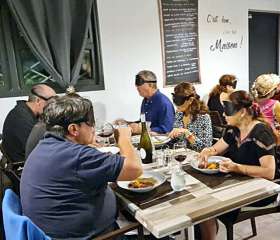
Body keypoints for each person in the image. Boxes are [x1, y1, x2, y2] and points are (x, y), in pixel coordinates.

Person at [20, 95, 142, 239]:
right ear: (73, 129)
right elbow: (134, 169)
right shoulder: (76, 156)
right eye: (90, 123)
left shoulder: (44, 146)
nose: (93, 128)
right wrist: (124, 139)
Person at [197, 91, 277, 240]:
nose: (224, 115)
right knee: (200, 202)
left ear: (242, 112)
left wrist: (237, 167)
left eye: (227, 111)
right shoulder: (233, 129)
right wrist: (208, 151)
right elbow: (217, 149)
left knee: (205, 208)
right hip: (239, 183)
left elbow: (269, 172)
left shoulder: (261, 132)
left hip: (261, 189)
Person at [2, 84, 56, 163]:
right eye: (51, 102)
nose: (53, 106)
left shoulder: (25, 111)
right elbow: (42, 151)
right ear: (38, 101)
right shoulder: (21, 119)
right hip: (25, 166)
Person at [168, 82, 212, 152]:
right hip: (181, 154)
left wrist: (187, 133)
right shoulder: (179, 114)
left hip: (197, 157)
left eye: (180, 101)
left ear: (190, 100)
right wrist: (171, 135)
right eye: (175, 99)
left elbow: (206, 149)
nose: (176, 104)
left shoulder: (203, 117)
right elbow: (176, 140)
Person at [129, 70, 175, 134]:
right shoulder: (145, 101)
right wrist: (128, 124)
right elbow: (143, 122)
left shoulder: (164, 103)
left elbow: (167, 129)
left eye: (139, 82)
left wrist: (146, 130)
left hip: (160, 142)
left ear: (150, 84)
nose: (137, 87)